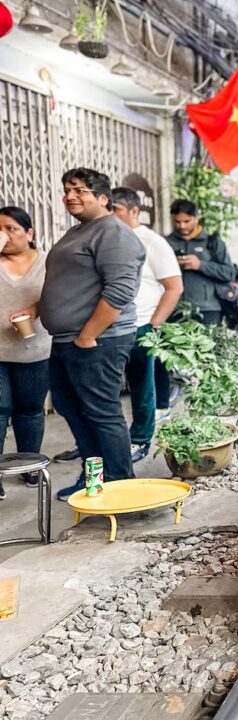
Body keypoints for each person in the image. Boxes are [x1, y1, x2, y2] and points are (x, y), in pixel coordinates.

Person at [39, 168, 145, 500]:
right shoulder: (80, 231)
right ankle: (95, 481)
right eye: (67, 189)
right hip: (67, 339)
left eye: (80, 190)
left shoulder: (113, 233)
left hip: (100, 340)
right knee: (72, 408)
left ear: (103, 198)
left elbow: (120, 290)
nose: (70, 195)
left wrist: (88, 335)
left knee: (101, 412)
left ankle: (119, 485)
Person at [110, 187, 183, 464]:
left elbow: (174, 287)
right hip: (108, 326)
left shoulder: (153, 242)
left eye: (116, 209)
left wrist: (153, 325)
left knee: (142, 386)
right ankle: (97, 444)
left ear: (134, 211)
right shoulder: (105, 238)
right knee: (104, 390)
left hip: (141, 324)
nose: (111, 215)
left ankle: (140, 440)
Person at [0, 206, 51, 497]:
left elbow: (58, 296)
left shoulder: (47, 261)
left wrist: (34, 310)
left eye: (11, 228)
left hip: (35, 348)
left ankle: (29, 466)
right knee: (0, 409)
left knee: (30, 411)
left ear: (29, 233)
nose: (4, 235)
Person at [164, 199, 236, 324]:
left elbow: (229, 273)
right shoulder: (165, 242)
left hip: (208, 310)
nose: (182, 226)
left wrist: (200, 265)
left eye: (186, 221)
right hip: (174, 309)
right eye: (177, 222)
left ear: (196, 218)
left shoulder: (213, 242)